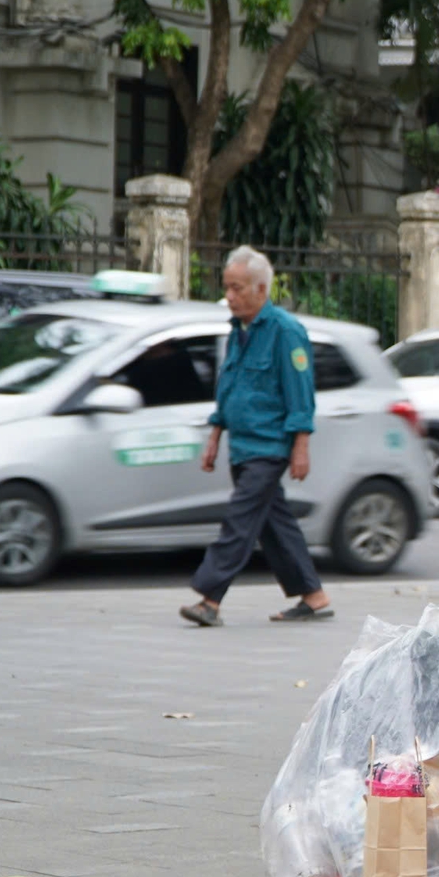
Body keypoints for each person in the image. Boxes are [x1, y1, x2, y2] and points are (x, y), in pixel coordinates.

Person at [179, 247, 334, 627]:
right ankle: (314, 597)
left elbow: (301, 392)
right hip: (242, 445)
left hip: (269, 446)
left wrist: (301, 445)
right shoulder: (238, 332)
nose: (229, 296)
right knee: (273, 522)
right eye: (227, 288)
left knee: (241, 520)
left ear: (261, 289)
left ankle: (210, 599)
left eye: (237, 288)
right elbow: (228, 386)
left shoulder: (285, 332)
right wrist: (215, 434)